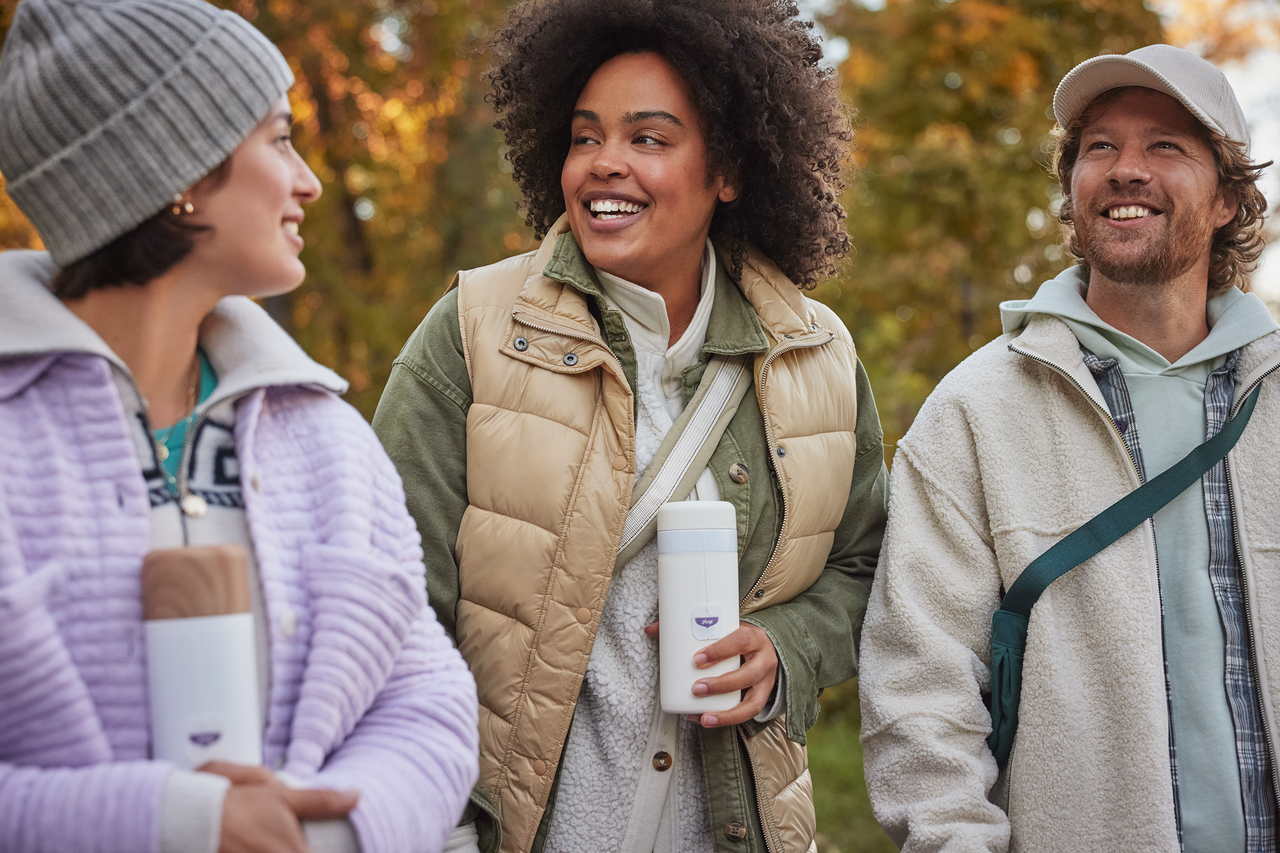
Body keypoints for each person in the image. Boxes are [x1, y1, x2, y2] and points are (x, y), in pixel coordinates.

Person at [371, 1, 888, 851]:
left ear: (729, 168)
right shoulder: (472, 329)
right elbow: (389, 604)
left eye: (648, 138)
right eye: (584, 137)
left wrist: (787, 645)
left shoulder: (816, 353)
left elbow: (866, 564)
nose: (604, 164)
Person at [0, 1, 478, 852]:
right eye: (279, 138)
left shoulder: (325, 434)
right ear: (179, 172)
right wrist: (182, 825)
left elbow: (427, 702)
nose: (310, 181)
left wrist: (324, 835)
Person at [859, 44, 1277, 852]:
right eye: (1100, 147)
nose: (1125, 170)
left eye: (1165, 145)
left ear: (1228, 198)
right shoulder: (973, 412)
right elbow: (918, 697)